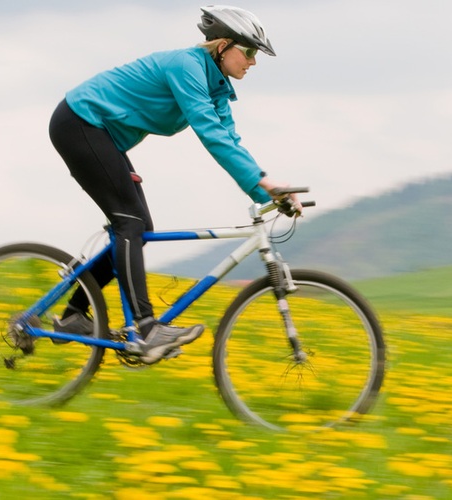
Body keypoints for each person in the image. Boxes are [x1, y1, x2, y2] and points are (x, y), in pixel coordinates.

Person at [48, 5, 301, 364]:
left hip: (100, 135)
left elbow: (229, 138)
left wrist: (266, 190)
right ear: (222, 45)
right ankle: (145, 328)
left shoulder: (216, 86)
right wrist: (263, 182)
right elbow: (210, 133)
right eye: (248, 52)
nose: (253, 62)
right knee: (130, 223)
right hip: (79, 123)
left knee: (136, 227)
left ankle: (75, 315)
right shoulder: (187, 66)